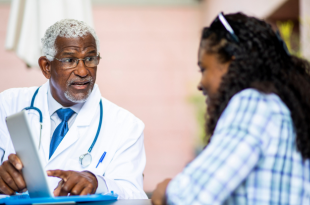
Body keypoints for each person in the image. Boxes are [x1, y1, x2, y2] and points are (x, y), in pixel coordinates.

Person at [151, 12, 310, 205]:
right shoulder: (285, 108)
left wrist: (166, 190)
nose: (201, 83)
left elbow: (192, 197)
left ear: (232, 63)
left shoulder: (254, 105)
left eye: (204, 69)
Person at [0, 19, 147, 199]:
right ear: (46, 66)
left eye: (90, 59)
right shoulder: (7, 104)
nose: (83, 71)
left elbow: (135, 195)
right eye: (70, 60)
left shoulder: (127, 126)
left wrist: (98, 183)